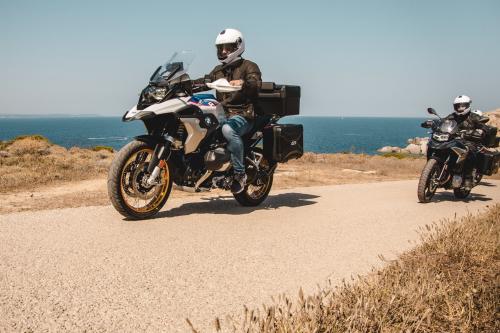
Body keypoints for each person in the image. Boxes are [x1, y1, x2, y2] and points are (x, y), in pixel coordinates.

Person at [194, 28, 262, 194]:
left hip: (243, 114)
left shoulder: (249, 66)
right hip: (222, 113)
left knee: (227, 129)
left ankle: (240, 174)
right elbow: (204, 81)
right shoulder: (218, 70)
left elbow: (256, 83)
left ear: (237, 46)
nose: (223, 51)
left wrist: (244, 83)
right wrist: (182, 84)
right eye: (220, 48)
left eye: (228, 47)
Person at [446, 95, 487, 189]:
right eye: (457, 106)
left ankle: (468, 178)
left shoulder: (474, 117)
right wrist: (434, 124)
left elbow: (483, 126)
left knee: (470, 153)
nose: (460, 108)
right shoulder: (452, 116)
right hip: (454, 140)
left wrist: (482, 131)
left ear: (467, 105)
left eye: (462, 106)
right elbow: (444, 121)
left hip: (470, 141)